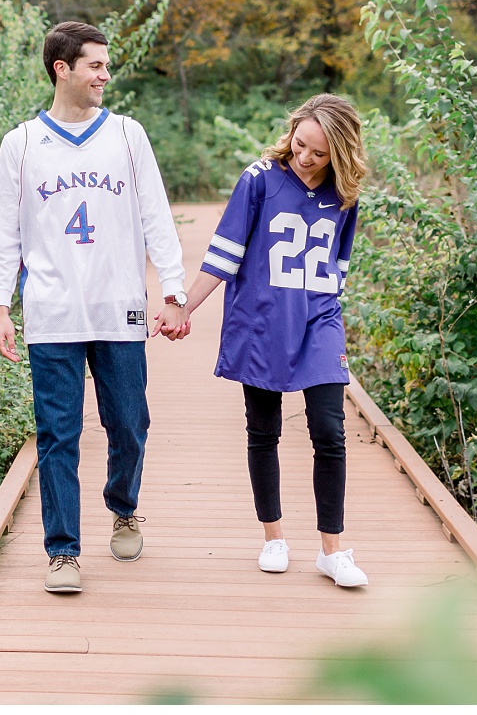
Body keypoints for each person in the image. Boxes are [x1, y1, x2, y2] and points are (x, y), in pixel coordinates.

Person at [0, 20, 189, 594]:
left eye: (106, 65)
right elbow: (6, 232)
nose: (106, 74)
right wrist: (3, 306)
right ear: (63, 69)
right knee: (57, 433)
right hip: (50, 312)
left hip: (119, 307)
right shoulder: (22, 143)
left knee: (129, 424)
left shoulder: (127, 135)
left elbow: (156, 214)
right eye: (96, 65)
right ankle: (63, 552)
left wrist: (173, 292)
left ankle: (123, 507)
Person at [180, 94, 370, 588]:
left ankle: (333, 549)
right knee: (263, 430)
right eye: (301, 144)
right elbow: (223, 253)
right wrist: (183, 306)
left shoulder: (345, 196)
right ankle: (274, 537)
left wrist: (322, 313)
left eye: (319, 153)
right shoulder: (259, 179)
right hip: (261, 320)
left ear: (340, 155)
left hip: (319, 320)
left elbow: (338, 265)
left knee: (329, 430)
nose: (305, 157)